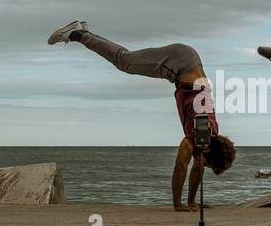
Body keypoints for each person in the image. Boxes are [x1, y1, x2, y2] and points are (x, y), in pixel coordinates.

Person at [47, 20, 236, 211]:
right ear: (209, 154)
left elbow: (196, 166)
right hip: (179, 63)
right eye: (207, 164)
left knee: (126, 58)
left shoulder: (210, 130)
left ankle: (85, 33)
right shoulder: (198, 133)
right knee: (125, 61)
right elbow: (182, 166)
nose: (203, 166)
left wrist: (192, 202)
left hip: (187, 61)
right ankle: (76, 35)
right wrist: (178, 204)